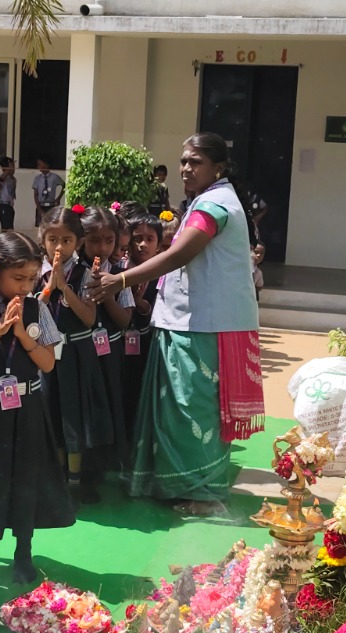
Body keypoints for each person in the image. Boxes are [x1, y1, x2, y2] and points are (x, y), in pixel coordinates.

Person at [85, 132, 264, 516]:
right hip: (193, 321)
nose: (186, 168)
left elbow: (180, 254)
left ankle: (203, 493)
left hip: (205, 325)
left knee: (192, 408)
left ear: (219, 168)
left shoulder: (214, 205)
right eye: (183, 160)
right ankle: (179, 484)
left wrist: (121, 280)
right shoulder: (209, 201)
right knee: (179, 405)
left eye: (195, 161)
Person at [0, 232, 69, 584]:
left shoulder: (37, 308)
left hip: (26, 405)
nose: (24, 286)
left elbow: (47, 363)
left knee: (24, 478)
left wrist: (25, 336)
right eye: (17, 278)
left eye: (30, 278)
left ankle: (23, 552)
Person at [39, 205, 114, 505]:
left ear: (78, 243)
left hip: (77, 355)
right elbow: (32, 310)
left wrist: (64, 288)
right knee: (52, 412)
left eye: (67, 240)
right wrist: (48, 287)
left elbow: (88, 316)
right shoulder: (34, 273)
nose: (60, 247)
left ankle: (76, 481)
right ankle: (57, 477)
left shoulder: (86, 274)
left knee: (75, 415)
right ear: (42, 239)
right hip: (46, 356)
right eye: (53, 239)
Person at [78, 206, 136, 501]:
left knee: (106, 409)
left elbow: (125, 319)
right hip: (79, 354)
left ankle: (97, 472)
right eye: (94, 240)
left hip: (108, 353)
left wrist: (107, 291)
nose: (102, 247)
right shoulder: (71, 272)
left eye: (109, 240)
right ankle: (77, 474)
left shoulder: (119, 275)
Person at [118, 202, 164, 437]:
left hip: (148, 345)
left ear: (159, 244)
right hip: (119, 344)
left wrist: (144, 307)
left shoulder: (163, 276)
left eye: (150, 238)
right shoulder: (120, 272)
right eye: (137, 238)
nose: (143, 244)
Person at [32, 157, 64, 226]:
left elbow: (64, 185)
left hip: (51, 206)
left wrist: (59, 198)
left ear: (46, 165)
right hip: (40, 206)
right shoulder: (37, 179)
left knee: (51, 226)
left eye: (40, 164)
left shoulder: (54, 177)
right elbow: (35, 195)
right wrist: (39, 209)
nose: (38, 166)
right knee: (40, 227)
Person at [0, 156, 17, 231]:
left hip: (10, 205)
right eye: (12, 167)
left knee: (11, 227)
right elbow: (1, 179)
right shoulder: (4, 177)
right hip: (4, 205)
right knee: (5, 228)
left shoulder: (13, 179)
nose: (13, 169)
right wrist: (8, 168)